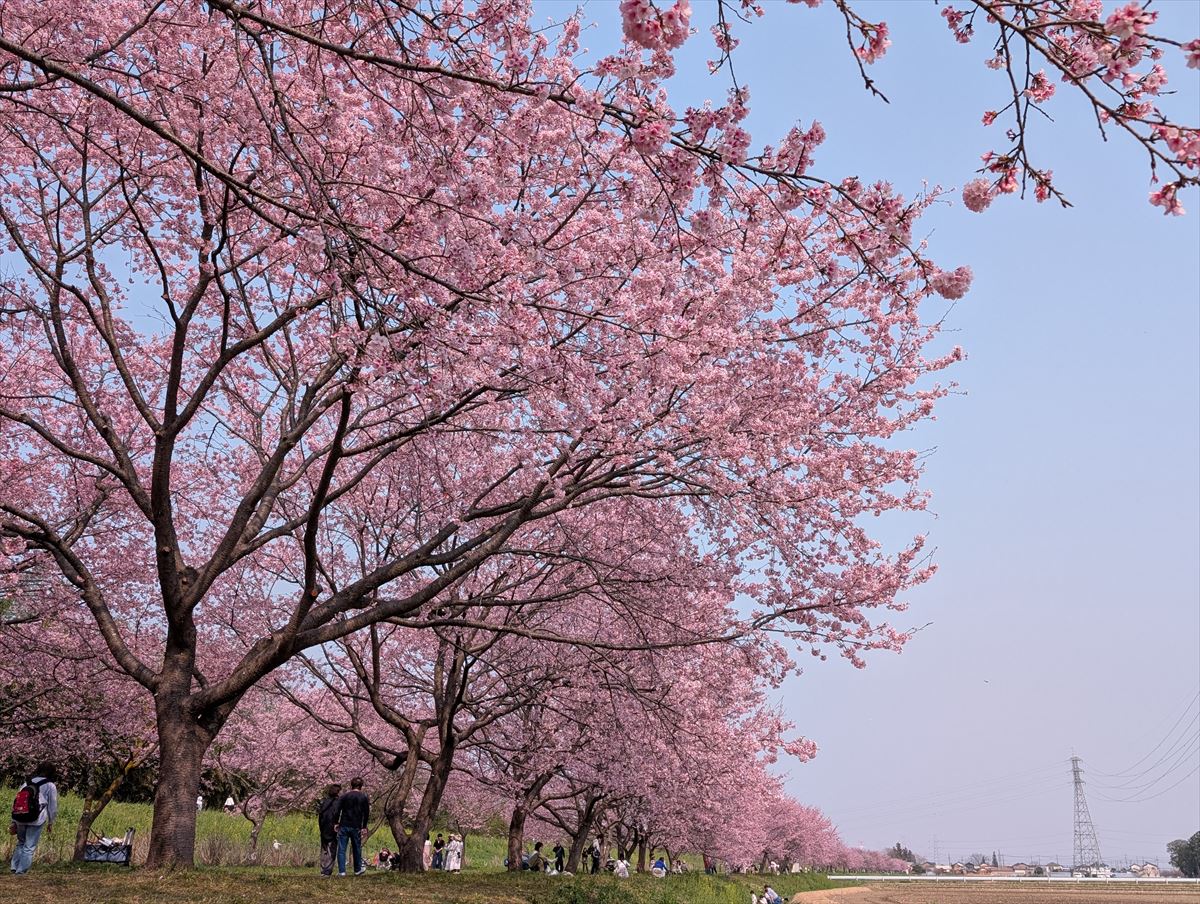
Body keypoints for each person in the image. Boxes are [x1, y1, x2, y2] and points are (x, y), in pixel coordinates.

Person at [9, 763, 58, 875]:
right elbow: (52, 806)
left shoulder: (26, 783)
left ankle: (14, 867)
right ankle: (21, 872)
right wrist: (51, 822)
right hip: (37, 819)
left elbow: (17, 801)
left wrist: (14, 820)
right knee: (29, 846)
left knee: (21, 842)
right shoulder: (50, 785)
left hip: (20, 817)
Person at [333, 777, 369, 877]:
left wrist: (336, 823)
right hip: (356, 826)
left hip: (344, 825)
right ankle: (357, 870)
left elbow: (337, 810)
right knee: (357, 848)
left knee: (341, 849)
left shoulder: (344, 796)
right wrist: (364, 826)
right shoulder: (364, 797)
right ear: (361, 786)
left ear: (351, 785)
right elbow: (366, 813)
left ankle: (342, 871)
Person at [316, 784, 341, 878]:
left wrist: (321, 828)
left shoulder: (324, 802)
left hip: (323, 828)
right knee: (332, 849)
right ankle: (327, 870)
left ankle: (323, 869)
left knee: (324, 849)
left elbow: (320, 816)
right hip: (333, 828)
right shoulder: (337, 803)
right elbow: (337, 814)